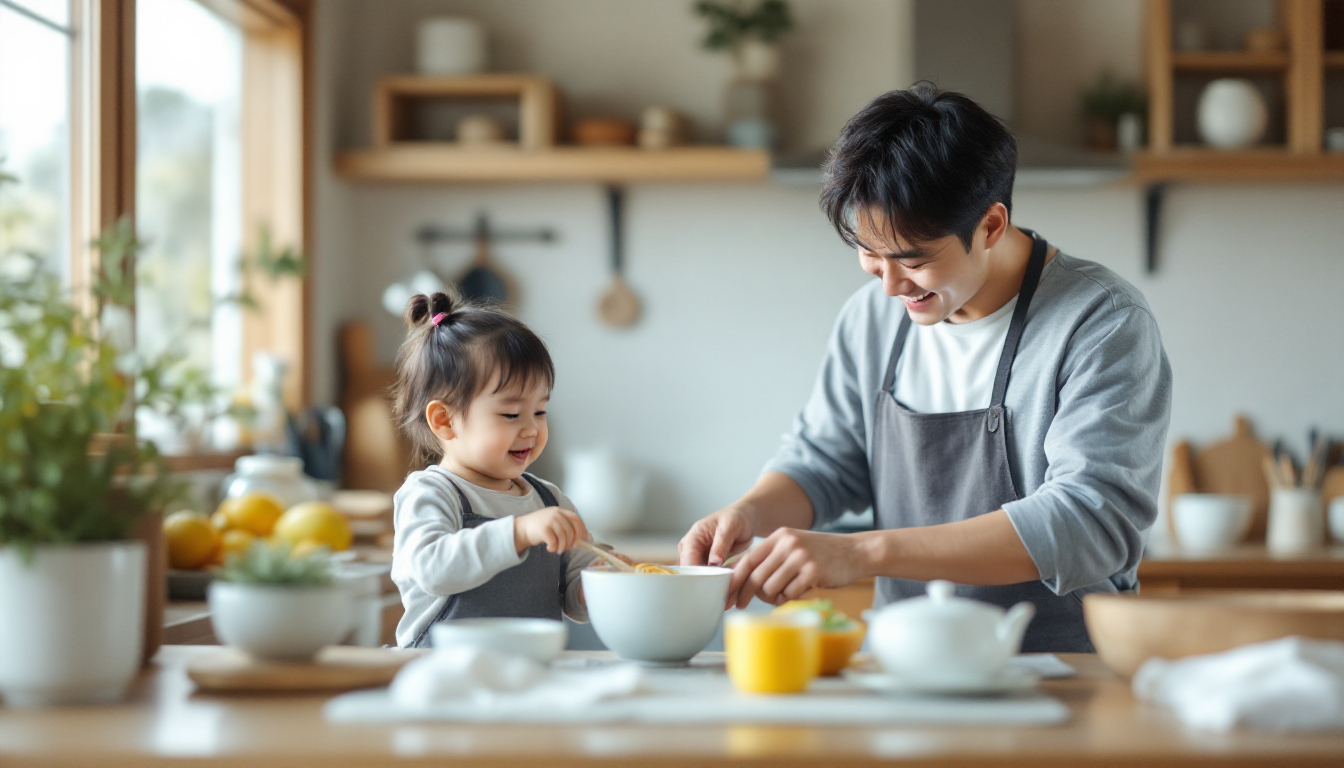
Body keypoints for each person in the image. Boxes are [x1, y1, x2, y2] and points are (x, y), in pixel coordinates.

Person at [679, 85, 1172, 652]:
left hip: (1063, 670)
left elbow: (1090, 520)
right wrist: (749, 513)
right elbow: (825, 460)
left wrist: (864, 551)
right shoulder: (871, 317)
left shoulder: (1100, 322)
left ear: (990, 226)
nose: (890, 286)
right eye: (871, 254)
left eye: (912, 260)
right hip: (906, 664)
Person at [389, 292, 597, 649]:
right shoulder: (430, 494)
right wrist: (518, 532)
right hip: (444, 672)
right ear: (445, 420)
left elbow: (575, 599)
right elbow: (432, 569)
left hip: (530, 671)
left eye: (540, 412)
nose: (531, 429)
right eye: (511, 414)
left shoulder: (549, 500)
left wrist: (599, 584)